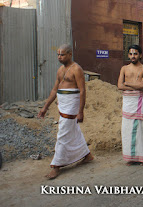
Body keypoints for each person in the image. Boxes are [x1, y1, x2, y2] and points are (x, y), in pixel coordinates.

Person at [38, 44, 93, 179]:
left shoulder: (77, 69)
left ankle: (56, 166)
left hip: (71, 105)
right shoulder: (60, 70)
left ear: (69, 54)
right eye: (58, 54)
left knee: (62, 134)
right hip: (62, 104)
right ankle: (87, 155)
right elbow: (54, 90)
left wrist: (81, 111)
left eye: (62, 54)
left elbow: (82, 91)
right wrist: (45, 107)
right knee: (73, 130)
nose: (59, 57)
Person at [117, 45, 143, 166]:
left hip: (139, 101)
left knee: (140, 128)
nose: (132, 56)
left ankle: (142, 157)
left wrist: (127, 83)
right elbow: (119, 86)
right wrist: (134, 84)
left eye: (135, 54)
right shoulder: (124, 68)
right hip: (128, 102)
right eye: (130, 54)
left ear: (140, 55)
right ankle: (130, 157)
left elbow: (142, 86)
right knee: (127, 129)